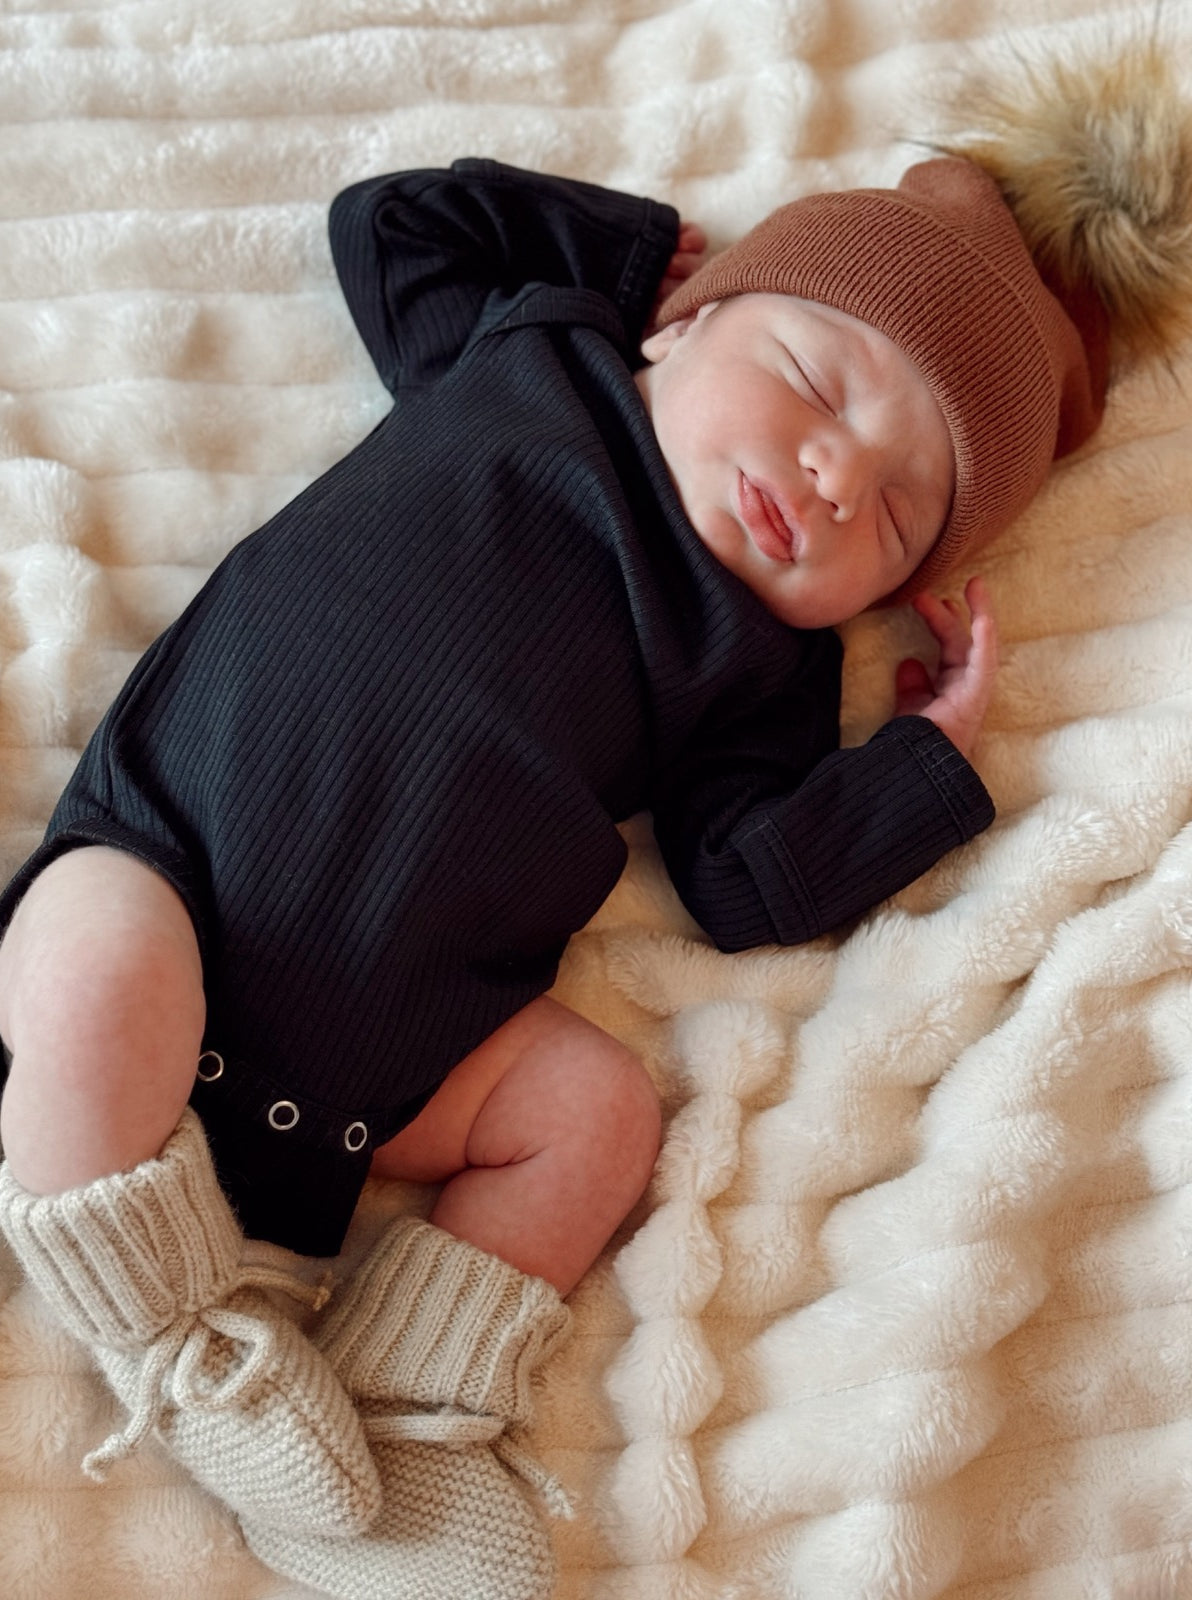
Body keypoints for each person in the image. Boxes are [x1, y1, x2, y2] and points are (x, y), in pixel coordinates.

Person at [0, 35, 1185, 1600]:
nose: (832, 476)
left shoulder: (763, 664)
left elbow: (743, 885)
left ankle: (405, 1411)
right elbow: (392, 224)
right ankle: (187, 1343)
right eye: (816, 383)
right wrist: (619, 247)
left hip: (405, 1043)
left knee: (599, 1117)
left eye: (896, 513)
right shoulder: (526, 349)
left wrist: (920, 767)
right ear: (685, 326)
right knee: (79, 953)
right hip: (182, 872)